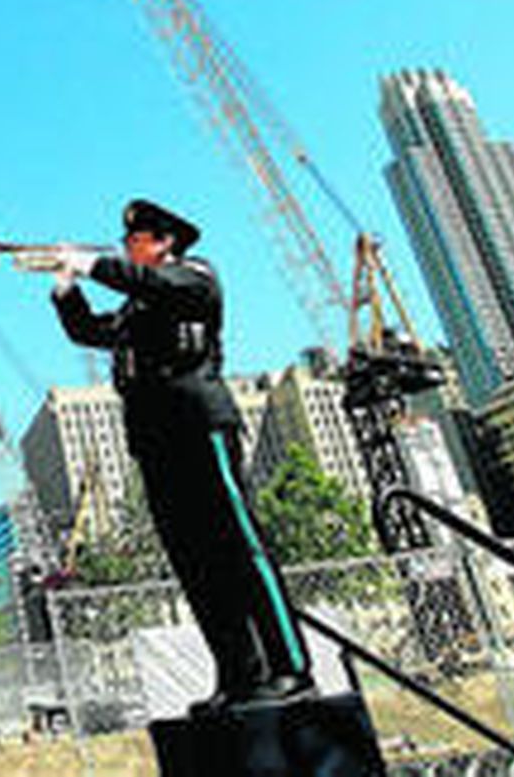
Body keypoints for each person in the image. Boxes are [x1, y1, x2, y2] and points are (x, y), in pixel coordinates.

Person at [50, 199, 313, 712]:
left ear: (165, 241)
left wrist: (95, 264)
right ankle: (241, 674)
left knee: (240, 545)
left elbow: (165, 288)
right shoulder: (134, 307)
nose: (128, 247)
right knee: (194, 563)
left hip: (199, 424)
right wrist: (66, 285)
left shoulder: (193, 275)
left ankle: (291, 667)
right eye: (127, 243)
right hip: (153, 439)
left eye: (137, 240)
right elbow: (89, 331)